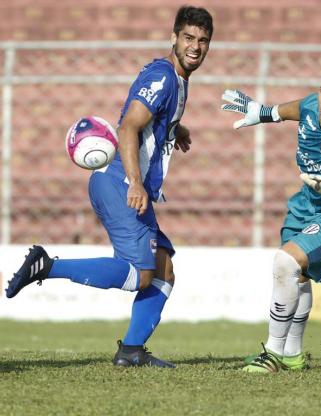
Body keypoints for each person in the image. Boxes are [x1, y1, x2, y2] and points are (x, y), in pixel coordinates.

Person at [5, 5, 213, 368]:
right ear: (173, 38)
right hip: (119, 181)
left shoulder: (177, 79)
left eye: (203, 40)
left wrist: (174, 129)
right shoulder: (164, 76)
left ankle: (131, 350)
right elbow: (129, 126)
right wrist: (135, 182)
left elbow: (150, 120)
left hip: (122, 182)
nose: (195, 46)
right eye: (188, 38)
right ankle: (47, 265)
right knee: (140, 274)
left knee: (162, 271)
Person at [221, 63, 321, 372]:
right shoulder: (313, 105)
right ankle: (292, 355)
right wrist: (265, 112)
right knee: (297, 274)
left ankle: (272, 353)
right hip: (308, 205)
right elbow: (298, 108)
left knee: (286, 262)